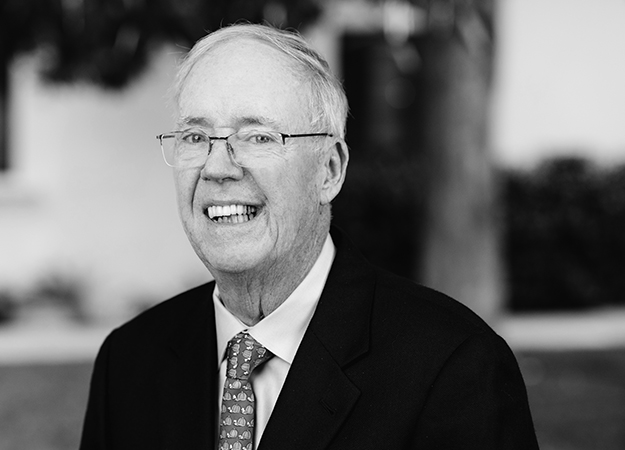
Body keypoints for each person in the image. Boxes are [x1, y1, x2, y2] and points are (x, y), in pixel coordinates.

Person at [79, 23, 538, 450]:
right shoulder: (128, 363)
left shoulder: (453, 367)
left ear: (329, 170)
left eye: (258, 137)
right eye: (196, 137)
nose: (217, 168)